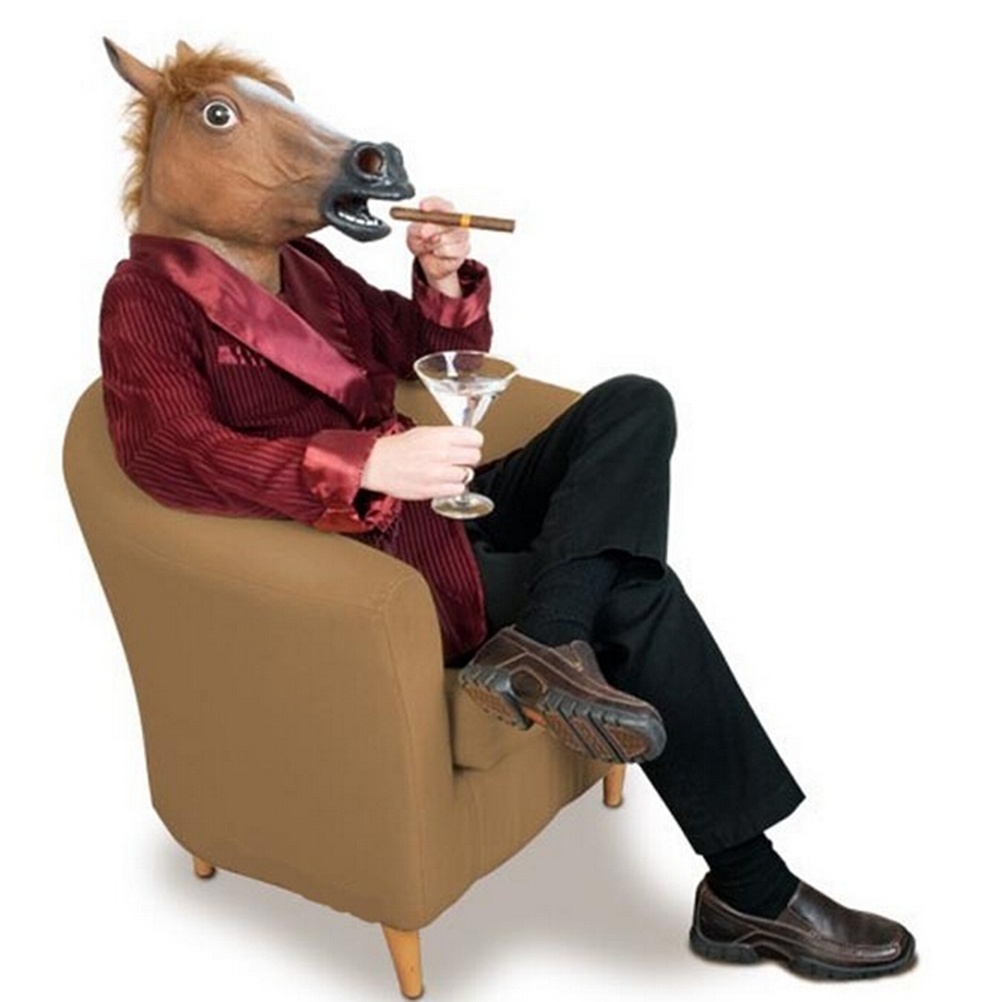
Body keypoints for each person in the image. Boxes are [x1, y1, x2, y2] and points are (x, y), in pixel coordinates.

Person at [100, 40, 915, 983]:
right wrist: (364, 462)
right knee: (637, 595)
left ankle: (549, 637)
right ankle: (750, 888)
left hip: (441, 505)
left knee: (634, 403)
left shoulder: (308, 269)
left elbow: (410, 347)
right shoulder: (143, 298)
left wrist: (442, 278)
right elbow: (168, 454)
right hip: (377, 557)